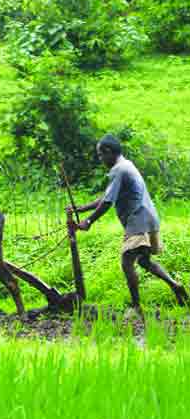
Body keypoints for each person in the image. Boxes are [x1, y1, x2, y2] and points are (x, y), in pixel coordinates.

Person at [67, 134, 188, 316]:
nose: (100, 159)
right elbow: (106, 197)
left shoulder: (119, 170)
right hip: (149, 217)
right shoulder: (126, 165)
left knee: (127, 261)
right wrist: (81, 209)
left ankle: (136, 306)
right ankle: (176, 286)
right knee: (144, 261)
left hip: (138, 218)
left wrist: (89, 221)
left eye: (100, 155)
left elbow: (107, 202)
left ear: (108, 152)